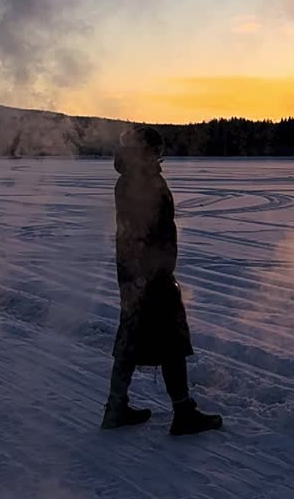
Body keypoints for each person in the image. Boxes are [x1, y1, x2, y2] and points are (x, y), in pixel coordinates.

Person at [101, 126, 223, 435]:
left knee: (131, 335)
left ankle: (116, 407)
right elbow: (149, 232)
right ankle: (183, 412)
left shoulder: (130, 178)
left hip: (134, 272)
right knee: (171, 339)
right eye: (155, 150)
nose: (159, 156)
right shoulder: (141, 181)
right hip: (149, 273)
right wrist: (153, 272)